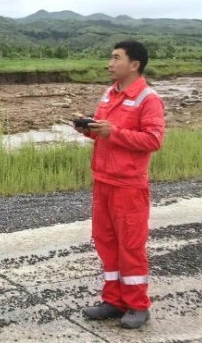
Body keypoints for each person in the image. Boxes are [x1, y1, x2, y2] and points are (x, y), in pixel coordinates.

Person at [74, 40, 165, 329]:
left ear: (134, 64)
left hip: (128, 186)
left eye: (116, 58)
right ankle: (113, 300)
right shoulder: (109, 94)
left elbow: (153, 140)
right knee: (106, 243)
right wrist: (89, 130)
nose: (110, 63)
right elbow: (105, 133)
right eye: (110, 58)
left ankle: (138, 305)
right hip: (103, 181)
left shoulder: (148, 99)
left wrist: (114, 132)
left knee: (131, 246)